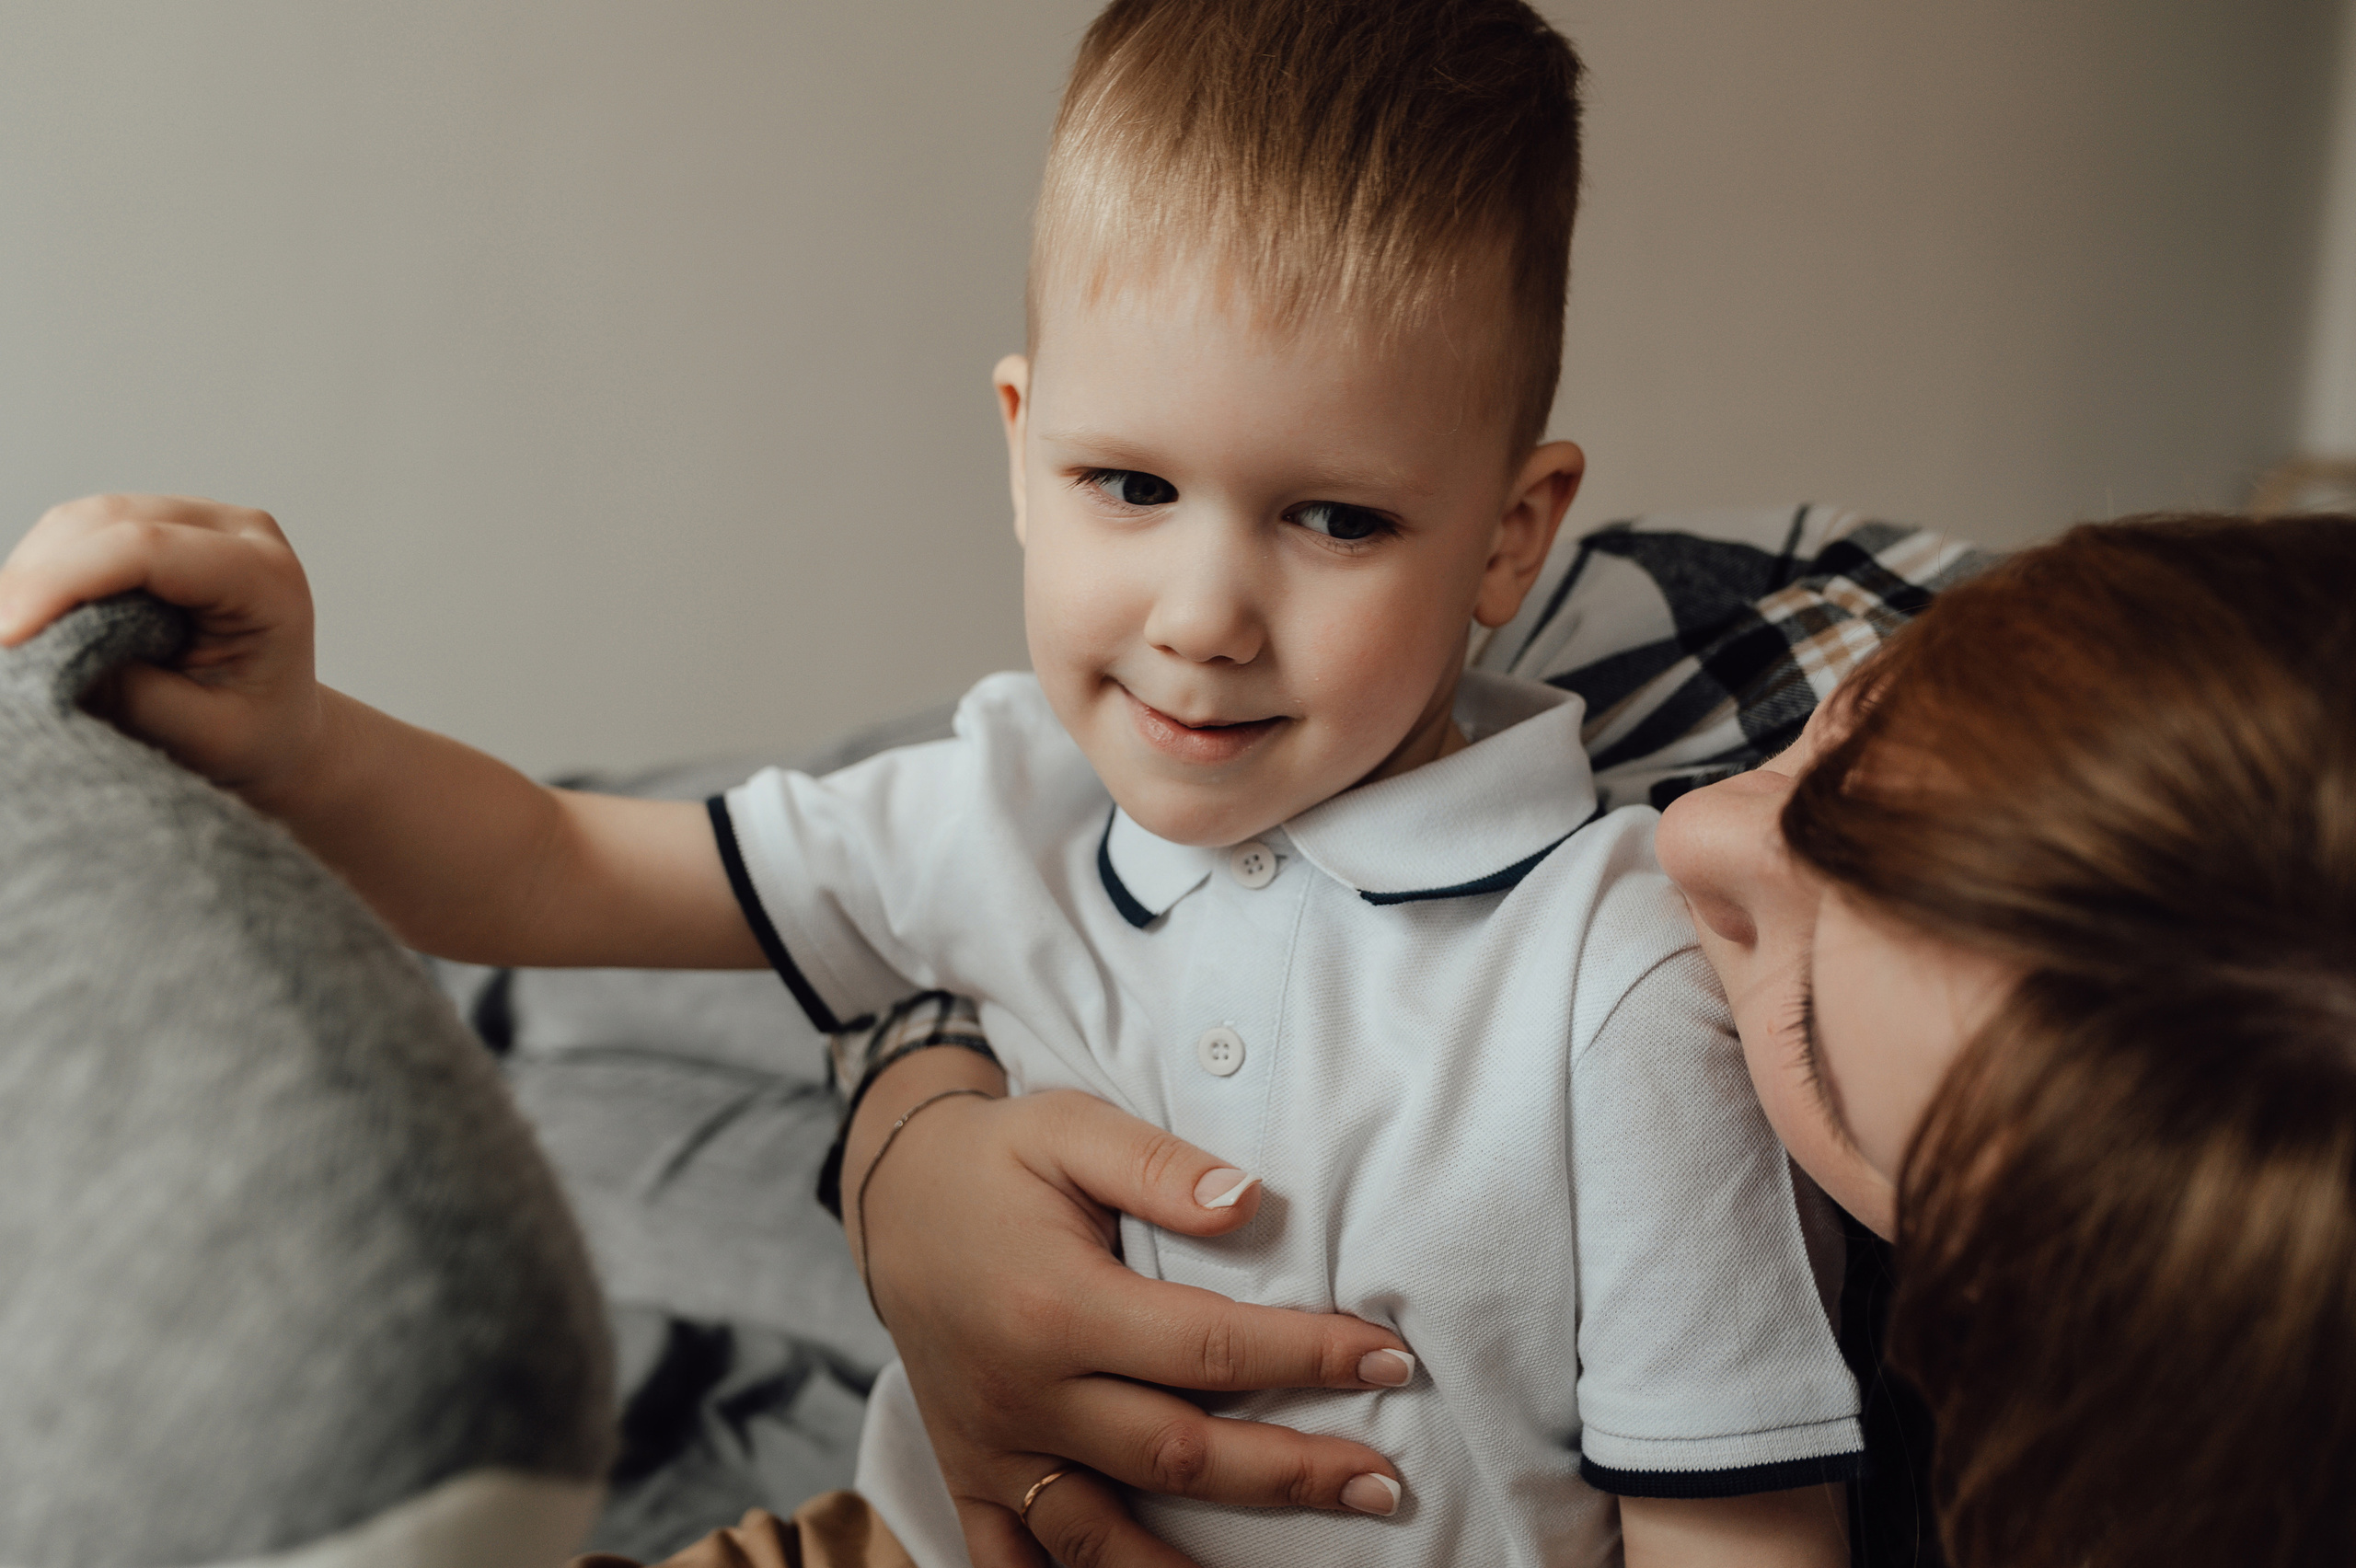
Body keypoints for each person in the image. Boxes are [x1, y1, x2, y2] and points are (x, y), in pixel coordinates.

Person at [0, 2, 1877, 1563]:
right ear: (1018, 445)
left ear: (1502, 538)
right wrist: (301, 737)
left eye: (1333, 518)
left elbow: (1735, 1524)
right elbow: (551, 862)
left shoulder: (1609, 967)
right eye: (1125, 487)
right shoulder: (999, 798)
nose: (1202, 615)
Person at [842, 513, 2356, 1568]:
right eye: (1861, 735)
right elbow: (953, 876)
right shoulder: (1729, 630)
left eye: (1809, 1031)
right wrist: (910, 1154)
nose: (1687, 837)